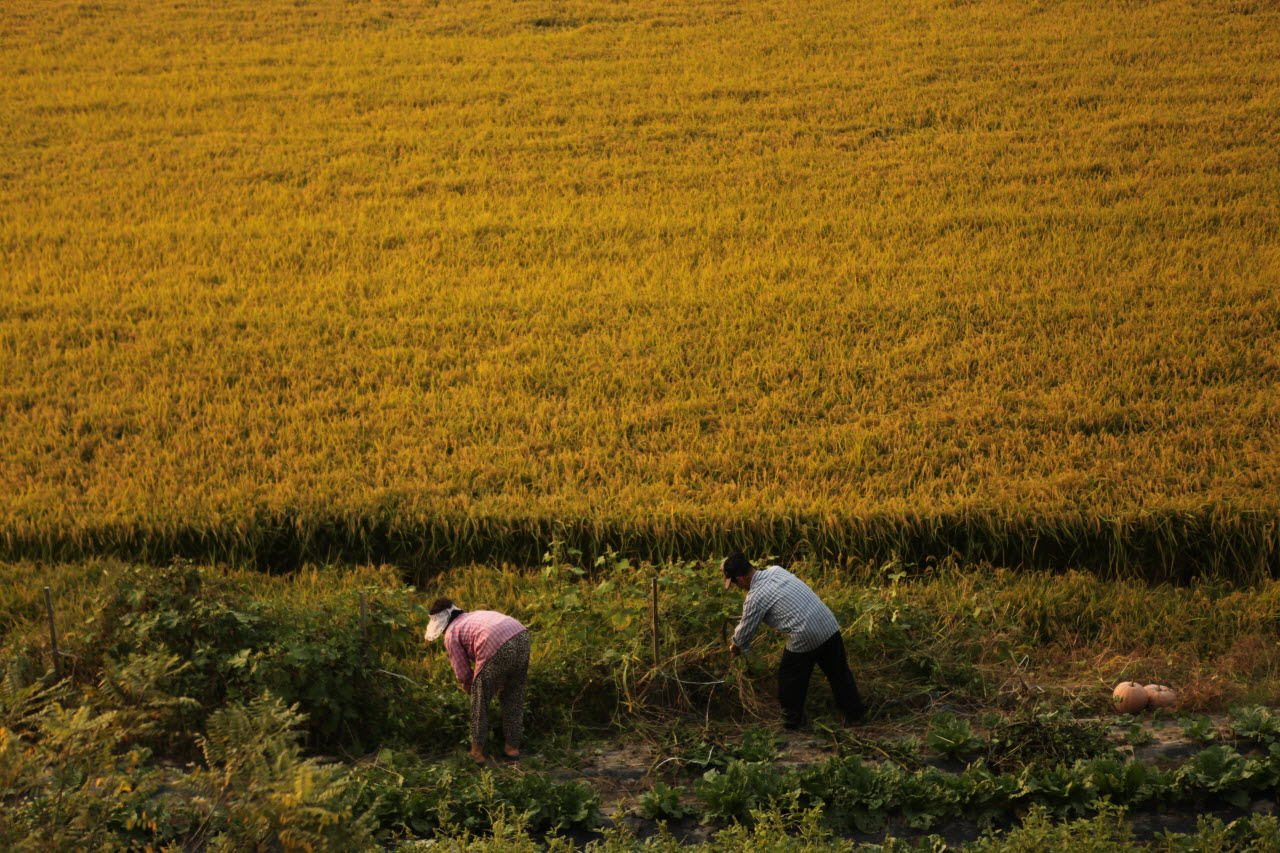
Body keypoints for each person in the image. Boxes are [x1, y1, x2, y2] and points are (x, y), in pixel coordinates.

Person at [722, 552, 866, 730]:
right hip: (828, 624)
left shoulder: (755, 597)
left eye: (735, 583)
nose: (737, 587)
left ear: (741, 578)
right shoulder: (776, 570)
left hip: (805, 633)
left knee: (790, 677)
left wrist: (735, 646)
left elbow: (745, 631)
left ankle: (792, 722)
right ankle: (855, 716)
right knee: (839, 673)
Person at [425, 597, 530, 765]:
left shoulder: (451, 633)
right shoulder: (472, 616)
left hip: (498, 644)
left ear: (442, 624)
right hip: (522, 636)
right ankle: (512, 749)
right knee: (513, 695)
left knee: (479, 702)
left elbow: (463, 673)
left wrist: (472, 690)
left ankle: (476, 753)